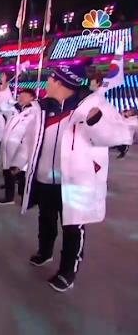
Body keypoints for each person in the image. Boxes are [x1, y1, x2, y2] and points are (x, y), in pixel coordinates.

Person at [20, 59, 131, 292]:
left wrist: (95, 121)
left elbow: (120, 135)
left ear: (61, 82)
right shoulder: (42, 108)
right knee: (46, 218)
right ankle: (45, 251)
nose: (47, 81)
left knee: (73, 227)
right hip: (46, 177)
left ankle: (67, 270)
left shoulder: (94, 105)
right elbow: (32, 139)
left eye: (51, 78)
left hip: (75, 181)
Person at [0, 73, 38, 205]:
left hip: (22, 151)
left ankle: (29, 199)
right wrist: (4, 86)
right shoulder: (16, 111)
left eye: (24, 96)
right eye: (20, 95)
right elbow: (3, 105)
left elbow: (30, 137)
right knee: (8, 174)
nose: (20, 97)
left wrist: (23, 158)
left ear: (32, 98)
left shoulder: (35, 114)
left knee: (23, 177)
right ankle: (10, 197)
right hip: (9, 149)